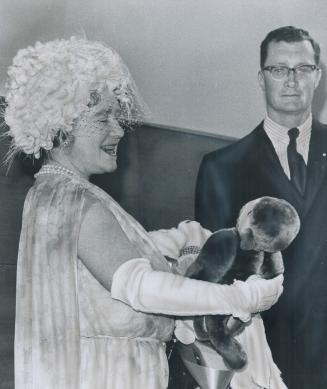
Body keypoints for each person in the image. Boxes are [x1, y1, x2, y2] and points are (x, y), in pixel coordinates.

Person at [5, 37, 283, 389]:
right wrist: (240, 297)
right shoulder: (73, 201)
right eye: (103, 116)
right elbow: (140, 287)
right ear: (62, 126)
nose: (119, 128)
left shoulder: (56, 196)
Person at [195, 25, 327, 388]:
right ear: (261, 77)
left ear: (317, 76)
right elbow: (211, 279)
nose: (291, 80)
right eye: (278, 69)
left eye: (303, 69)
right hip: (263, 361)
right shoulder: (220, 168)